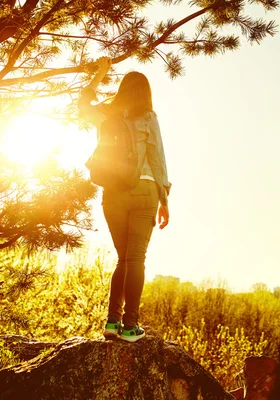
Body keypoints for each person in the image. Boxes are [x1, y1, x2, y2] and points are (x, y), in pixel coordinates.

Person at [78, 57, 171, 342]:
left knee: (122, 259)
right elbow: (157, 160)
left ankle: (111, 323)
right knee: (136, 259)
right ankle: (130, 326)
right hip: (144, 193)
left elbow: (82, 105)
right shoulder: (149, 118)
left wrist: (99, 75)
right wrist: (164, 198)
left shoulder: (107, 114)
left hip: (113, 193)